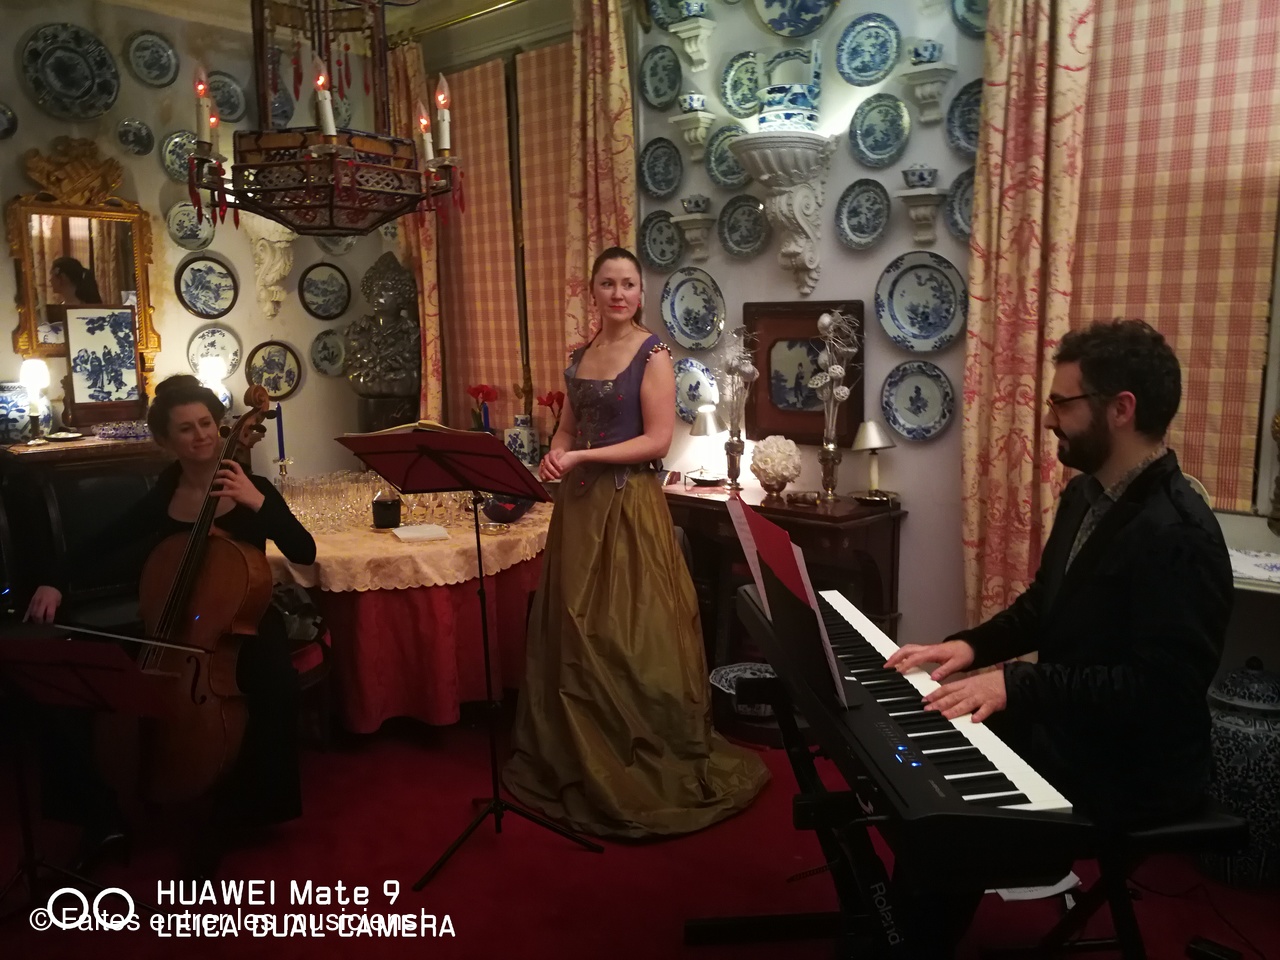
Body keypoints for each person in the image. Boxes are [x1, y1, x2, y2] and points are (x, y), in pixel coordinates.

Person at [882, 319, 1233, 957]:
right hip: (1076, 728)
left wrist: (1016, 684)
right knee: (930, 754)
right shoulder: (1084, 495)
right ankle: (900, 929)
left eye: (1061, 403)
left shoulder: (1179, 533)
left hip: (1133, 766)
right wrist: (971, 648)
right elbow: (1045, 607)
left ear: (1121, 409)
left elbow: (1162, 690)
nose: (1048, 419)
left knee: (951, 815)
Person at [501, 247, 770, 838]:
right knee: (574, 624)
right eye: (608, 283)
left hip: (629, 504)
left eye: (628, 284)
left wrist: (581, 458)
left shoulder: (655, 354)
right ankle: (575, 748)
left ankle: (637, 748)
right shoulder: (580, 356)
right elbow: (567, 427)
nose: (619, 293)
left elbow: (657, 441)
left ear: (640, 294)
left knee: (628, 629)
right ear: (592, 292)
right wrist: (556, 453)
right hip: (580, 509)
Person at [24, 374, 316, 877]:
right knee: (79, 683)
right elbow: (106, 539)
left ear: (221, 427)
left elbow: (304, 551)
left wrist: (258, 502)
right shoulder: (166, 490)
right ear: (165, 441)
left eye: (206, 423)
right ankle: (99, 815)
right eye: (185, 429)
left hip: (242, 620)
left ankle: (238, 812)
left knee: (275, 687)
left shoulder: (253, 486)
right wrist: (53, 579)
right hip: (176, 621)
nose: (200, 435)